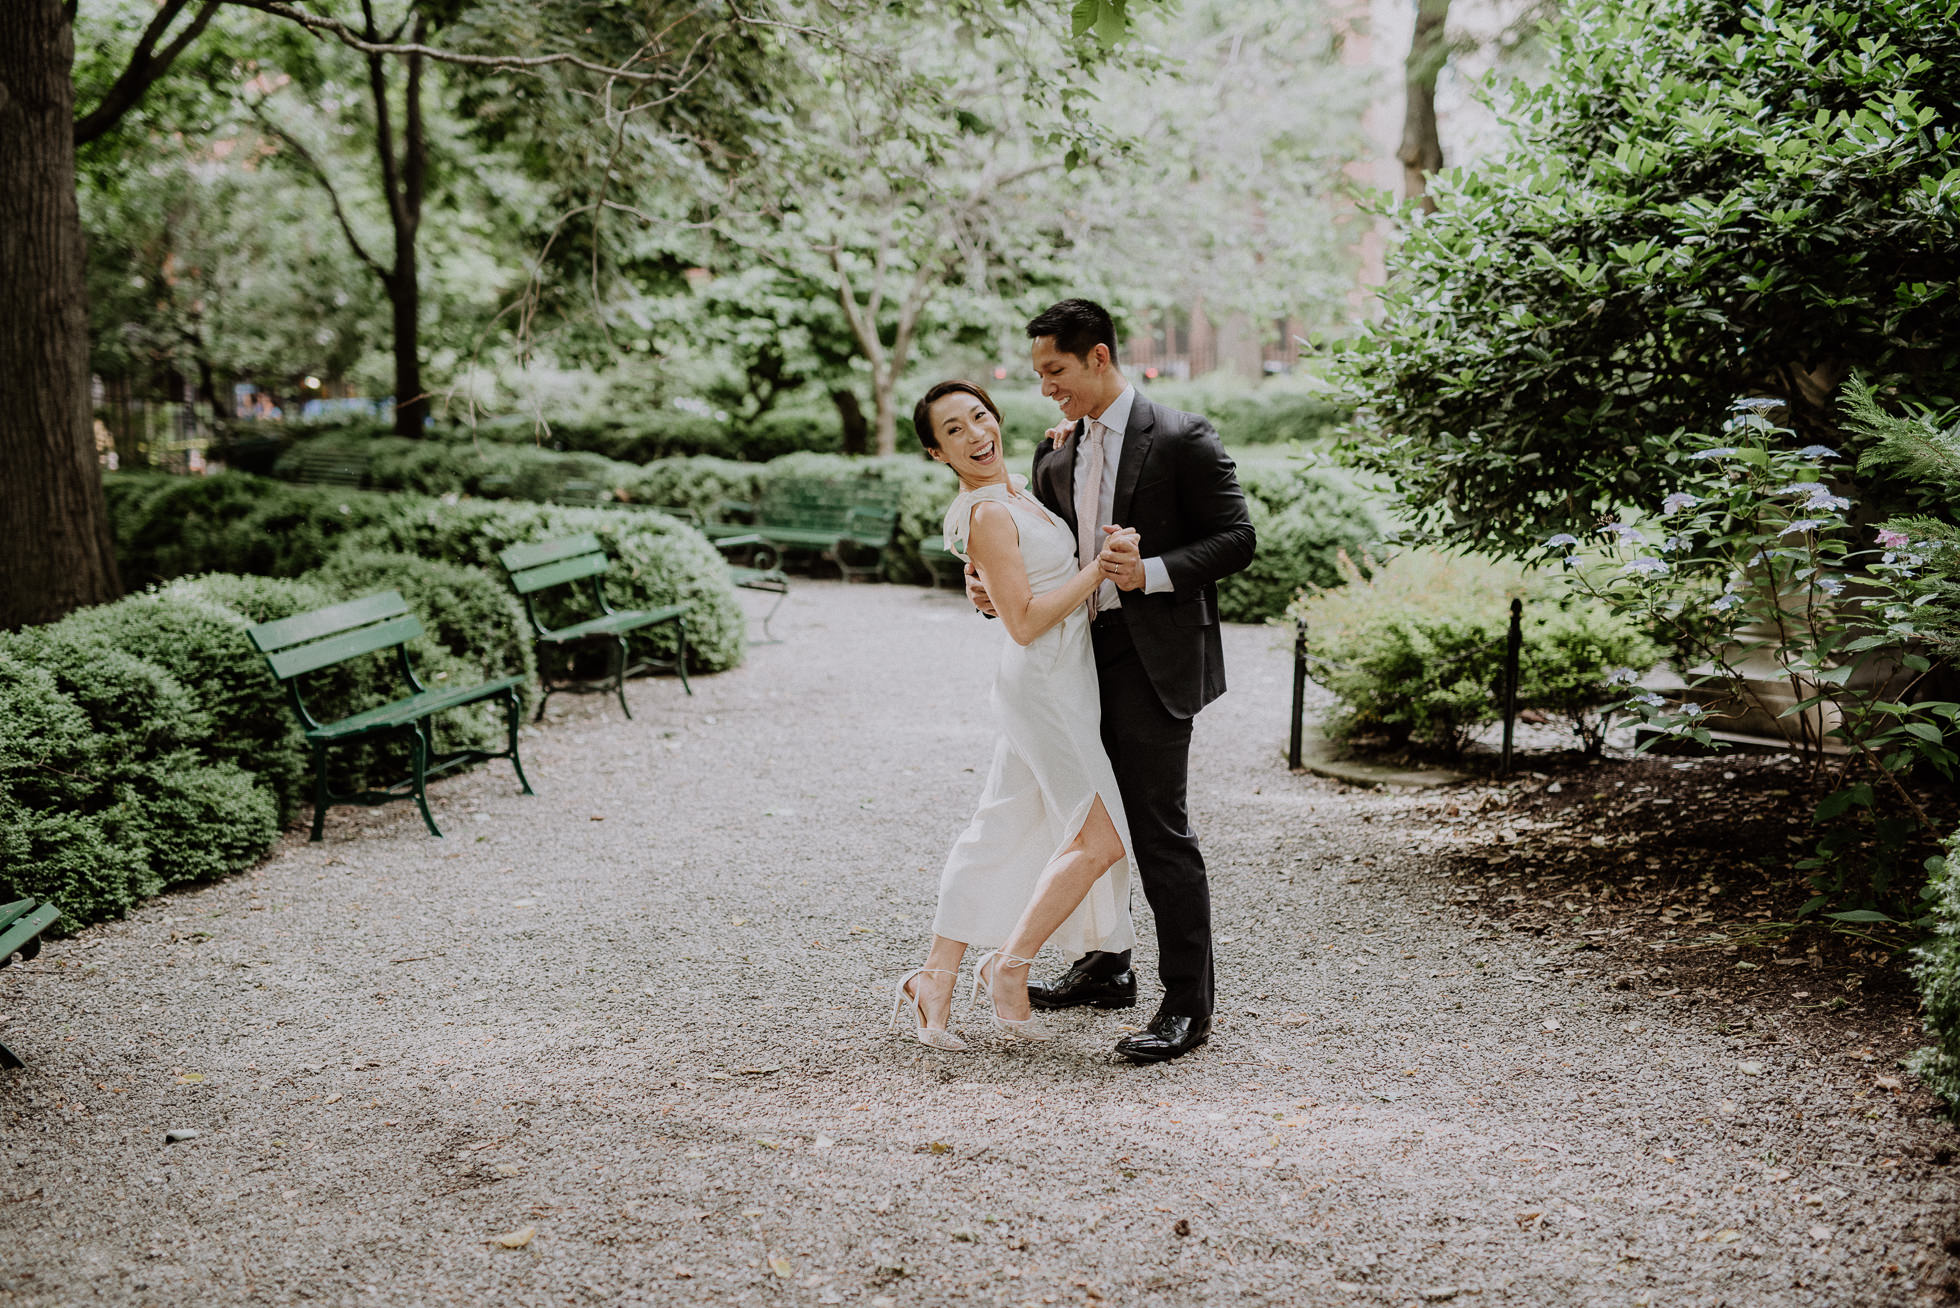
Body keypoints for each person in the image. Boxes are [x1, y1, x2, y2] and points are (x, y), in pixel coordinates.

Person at [967, 298, 1254, 1063]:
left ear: (1098, 357)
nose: (1045, 389)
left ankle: (1188, 1007)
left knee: (1159, 832)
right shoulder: (1053, 452)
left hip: (1155, 659)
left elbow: (1237, 538)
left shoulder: (1184, 437)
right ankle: (1106, 964)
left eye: (1054, 371)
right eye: (1036, 375)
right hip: (1072, 665)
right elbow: (1039, 555)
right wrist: (991, 588)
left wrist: (1152, 572)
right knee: (1086, 817)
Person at [890, 379, 1139, 1049]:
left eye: (979, 417)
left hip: (1057, 679)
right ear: (937, 453)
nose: (974, 435)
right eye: (953, 431)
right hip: (1047, 683)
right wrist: (1098, 572)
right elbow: (1023, 621)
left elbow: (1017, 578)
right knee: (1105, 838)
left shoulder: (1011, 494)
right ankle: (1010, 963)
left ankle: (935, 979)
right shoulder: (988, 513)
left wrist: (1071, 443)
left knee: (999, 827)